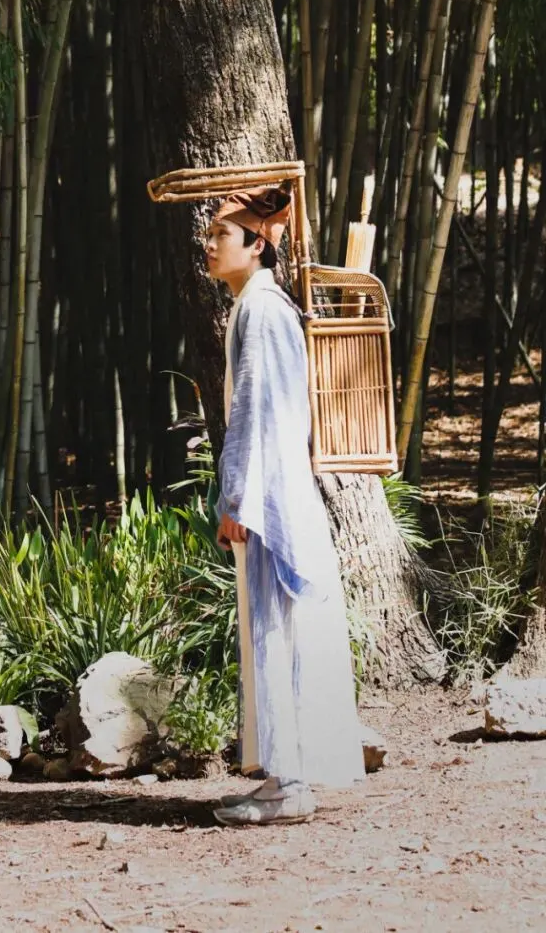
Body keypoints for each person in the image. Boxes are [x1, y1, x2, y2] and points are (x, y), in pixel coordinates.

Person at [204, 189, 364, 825]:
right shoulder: (256, 305)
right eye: (210, 234)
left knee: (279, 632)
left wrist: (237, 498)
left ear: (256, 245)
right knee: (272, 631)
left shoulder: (264, 310)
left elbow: (257, 412)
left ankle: (291, 783)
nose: (210, 245)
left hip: (270, 494)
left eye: (222, 234)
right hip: (274, 488)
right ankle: (282, 776)